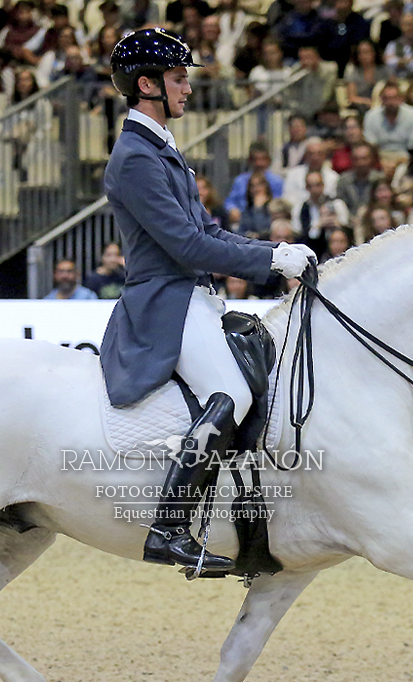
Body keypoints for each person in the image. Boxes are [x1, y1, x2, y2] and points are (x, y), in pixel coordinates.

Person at [99, 28, 315, 572]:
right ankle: (168, 528)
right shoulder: (135, 157)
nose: (187, 88)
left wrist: (275, 250)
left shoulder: (161, 148)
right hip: (165, 300)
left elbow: (210, 230)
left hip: (194, 295)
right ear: (146, 85)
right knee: (231, 393)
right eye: (177, 78)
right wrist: (269, 264)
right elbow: (187, 245)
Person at [223, 141, 285, 228]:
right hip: (241, 220)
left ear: (269, 160)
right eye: (255, 159)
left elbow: (278, 204)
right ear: (249, 161)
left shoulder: (276, 181)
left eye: (262, 159)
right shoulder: (240, 180)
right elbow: (229, 202)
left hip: (267, 220)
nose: (259, 163)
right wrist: (232, 209)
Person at [291, 170, 350, 257]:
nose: (315, 189)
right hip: (314, 249)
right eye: (311, 186)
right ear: (306, 188)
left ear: (323, 185)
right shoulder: (300, 208)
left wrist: (338, 223)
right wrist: (318, 226)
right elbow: (299, 234)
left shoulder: (336, 204)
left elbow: (347, 227)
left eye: (318, 185)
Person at [363, 80, 413, 162]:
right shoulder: (371, 116)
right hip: (379, 158)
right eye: (387, 98)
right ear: (381, 99)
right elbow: (371, 144)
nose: (391, 102)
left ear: (401, 99)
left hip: (407, 157)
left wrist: (401, 160)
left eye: (394, 98)